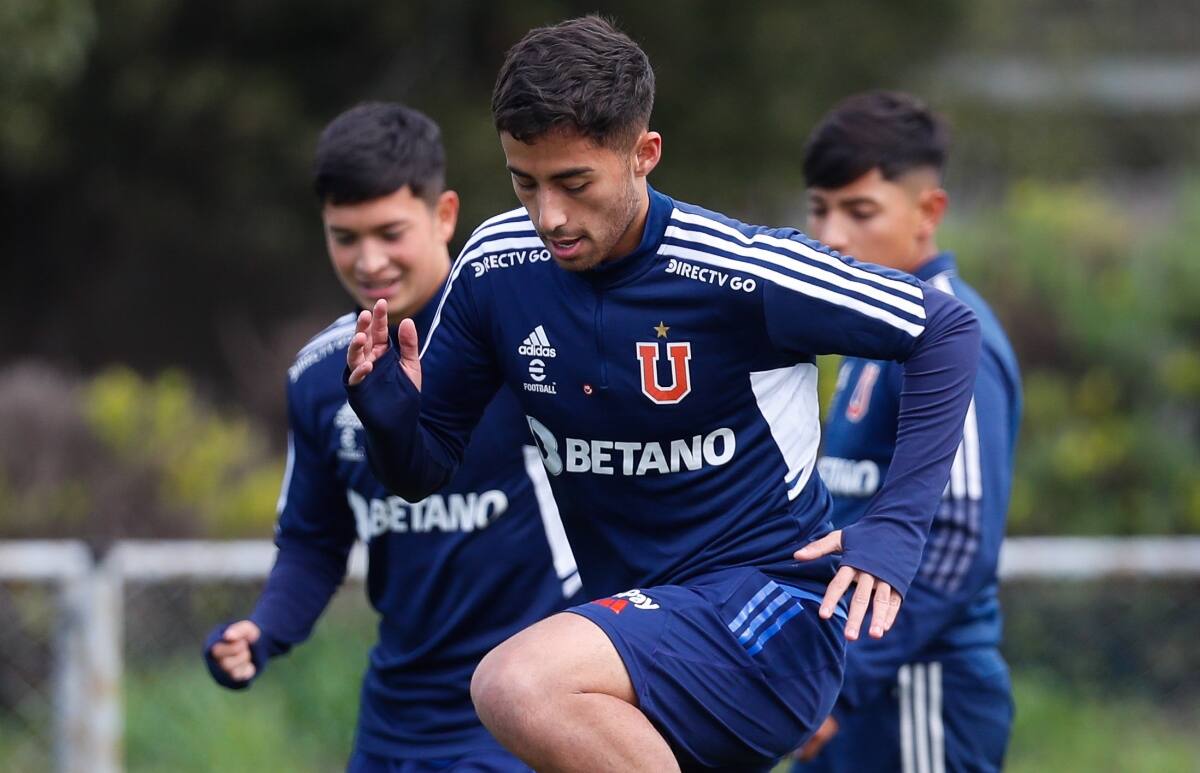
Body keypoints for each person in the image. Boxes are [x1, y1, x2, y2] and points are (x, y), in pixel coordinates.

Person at [345, 18, 980, 773]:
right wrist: (387, 421)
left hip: (769, 615)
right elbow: (424, 466)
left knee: (516, 681)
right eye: (525, 182)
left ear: (644, 154)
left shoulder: (742, 273)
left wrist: (897, 527)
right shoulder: (495, 266)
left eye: (574, 183)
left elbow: (946, 328)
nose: (549, 214)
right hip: (628, 633)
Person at [202, 102, 580, 773]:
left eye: (389, 231)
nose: (368, 259)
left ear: (444, 215)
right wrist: (263, 630)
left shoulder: (528, 339)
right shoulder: (320, 376)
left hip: (528, 701)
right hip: (396, 717)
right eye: (345, 236)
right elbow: (315, 541)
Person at [791, 92, 1021, 773]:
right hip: (845, 683)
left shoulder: (953, 335)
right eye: (819, 208)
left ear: (929, 213)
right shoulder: (871, 332)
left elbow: (954, 537)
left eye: (859, 211)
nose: (832, 234)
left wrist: (845, 681)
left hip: (916, 690)